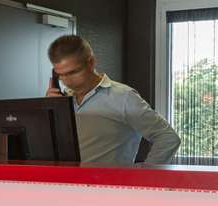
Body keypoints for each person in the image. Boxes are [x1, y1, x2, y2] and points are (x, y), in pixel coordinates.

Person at [45, 35, 180, 165]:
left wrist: (145, 173)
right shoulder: (61, 99)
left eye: (73, 72)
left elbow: (167, 137)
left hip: (108, 180)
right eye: (61, 75)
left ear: (91, 62)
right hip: (63, 180)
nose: (67, 81)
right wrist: (49, 110)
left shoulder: (124, 97)